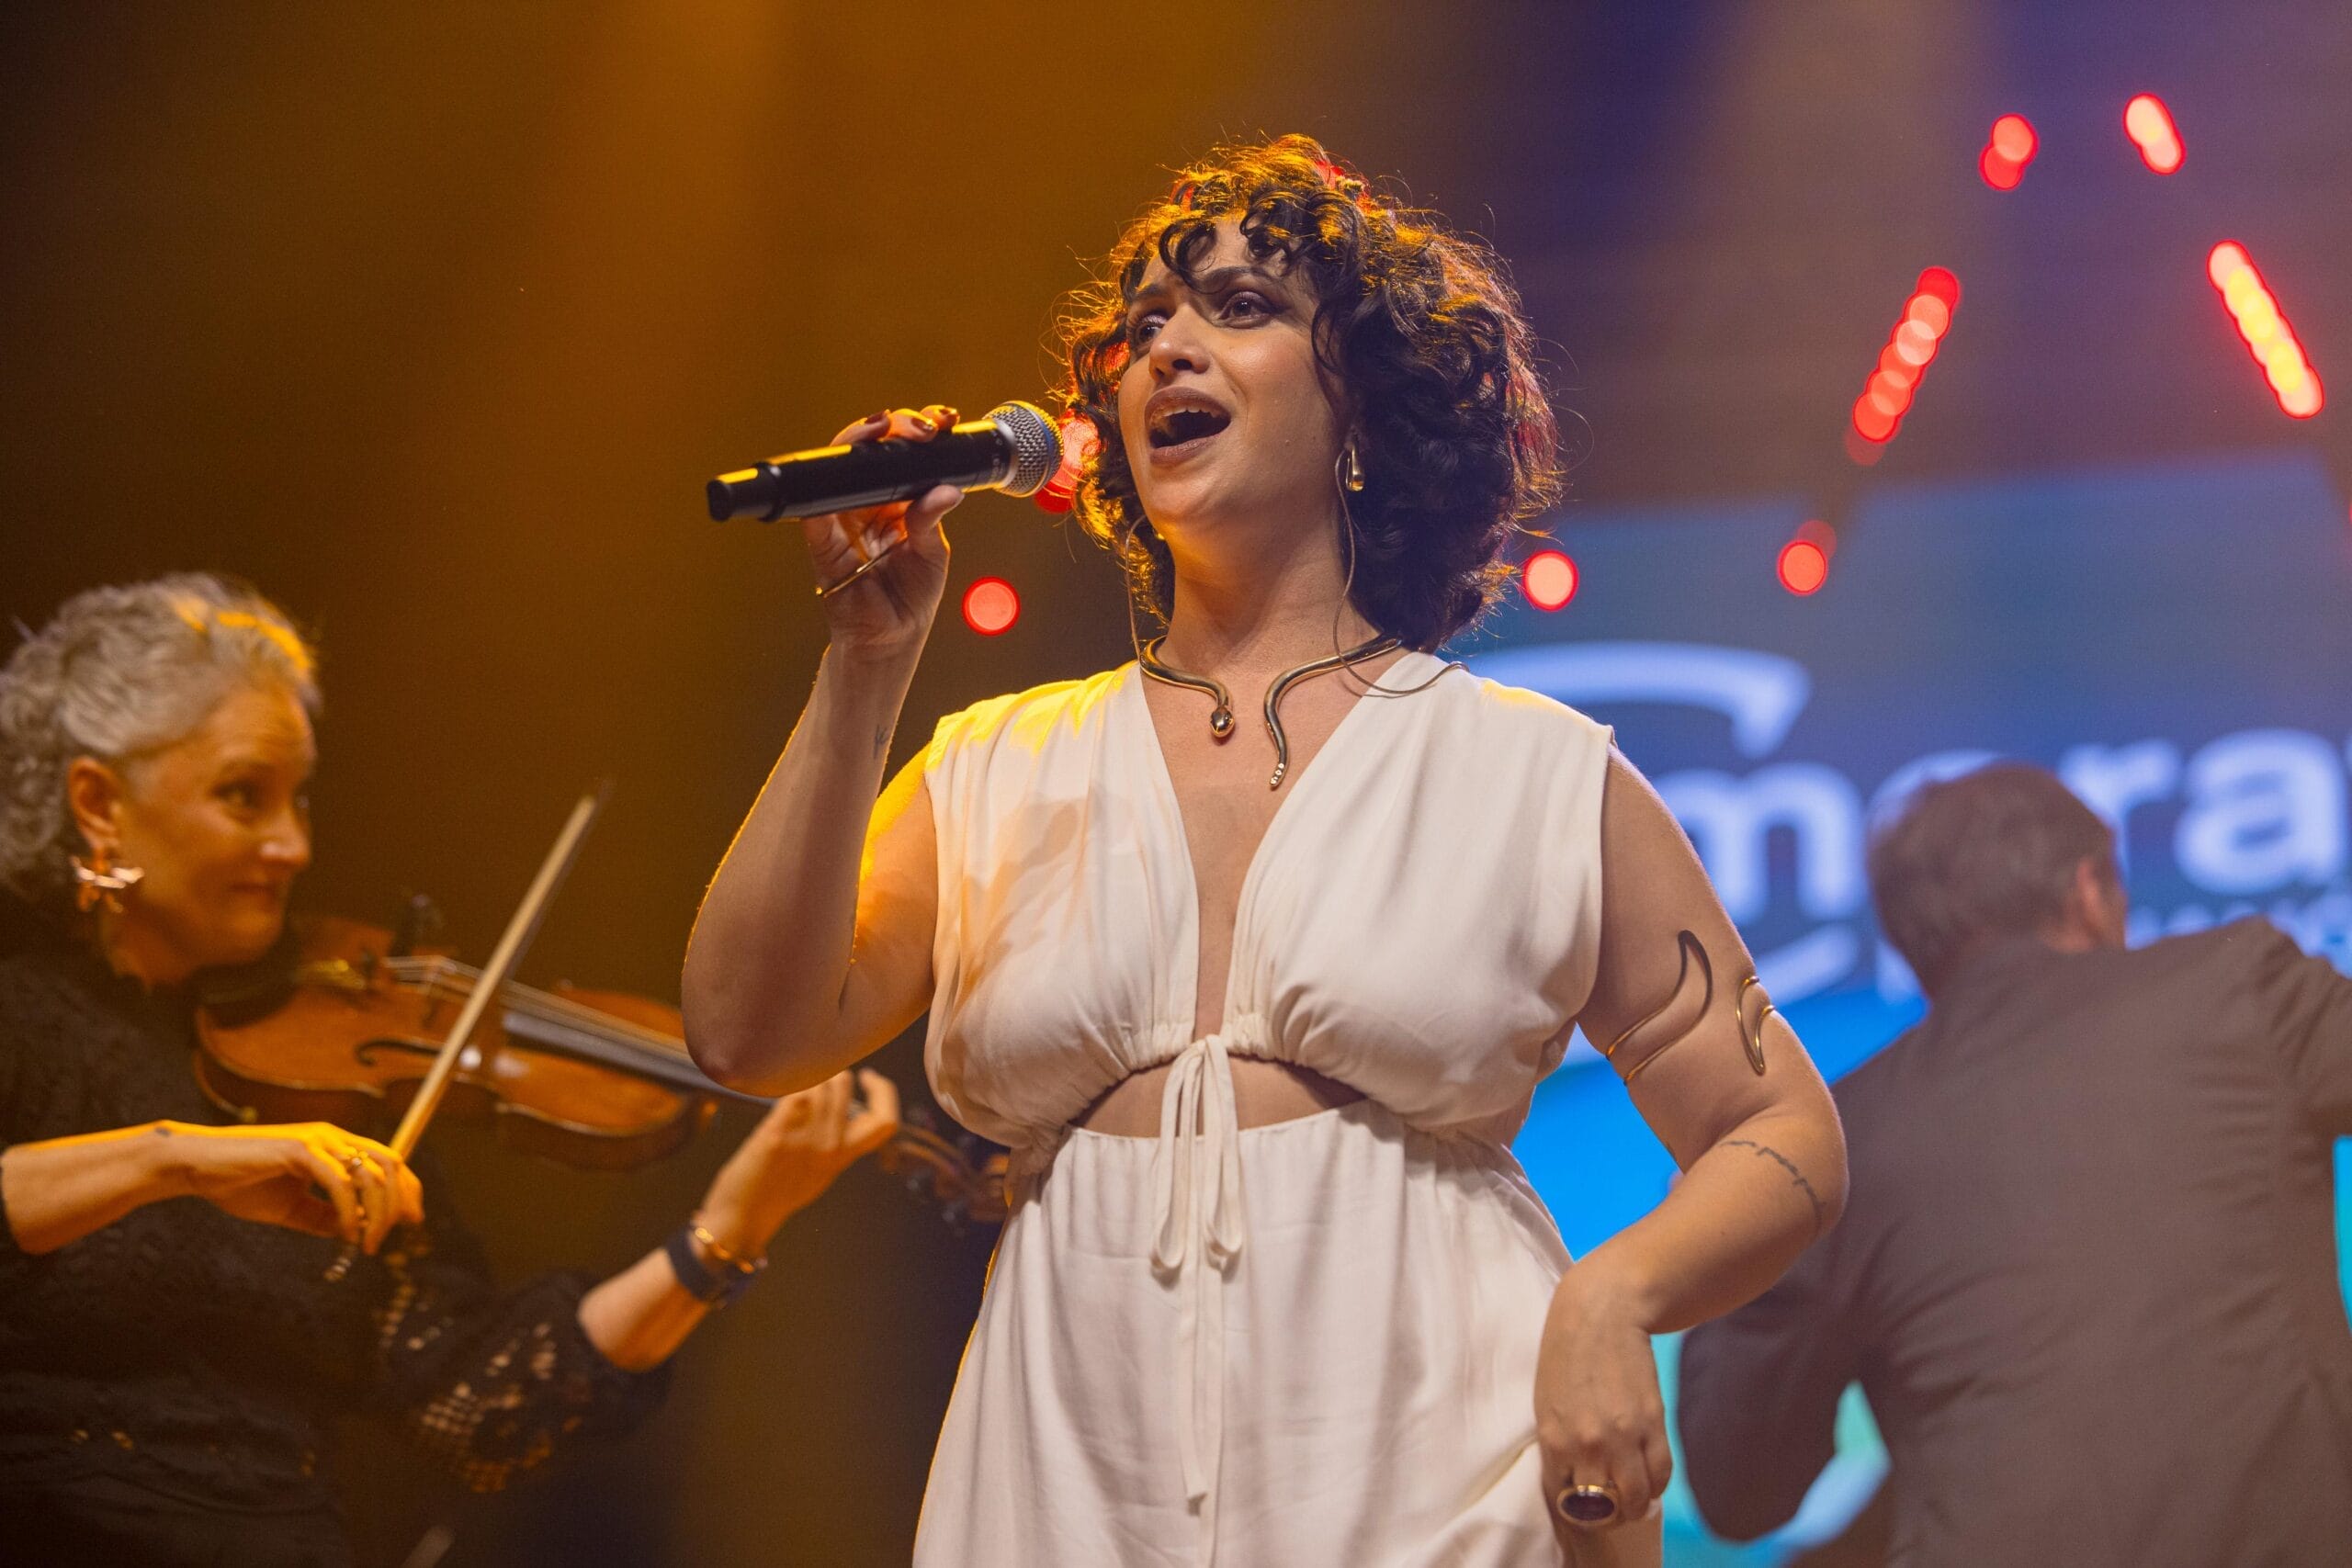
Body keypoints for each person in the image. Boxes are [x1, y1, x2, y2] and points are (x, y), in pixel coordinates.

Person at [684, 136, 1849, 1567]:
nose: (1166, 346)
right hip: (1066, 1502)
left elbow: (1781, 1132)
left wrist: (1613, 1299)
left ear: (1362, 406)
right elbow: (746, 1031)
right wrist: (868, 661)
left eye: (1240, 307)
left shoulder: (1531, 770)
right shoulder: (997, 763)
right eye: (1141, 328)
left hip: (1442, 1497)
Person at [0, 573, 901, 1567]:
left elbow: (477, 1404)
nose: (292, 844)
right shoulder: (21, 1021)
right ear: (99, 803)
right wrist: (173, 1160)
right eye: (243, 795)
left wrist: (729, 1228)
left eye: (299, 798)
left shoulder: (319, 1073)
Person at [1675, 762, 2352, 1565]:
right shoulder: (2240, 986)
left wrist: (1720, 1224)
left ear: (1918, 946)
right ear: (2089, 889)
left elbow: (1739, 1491)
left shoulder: (1833, 1141)